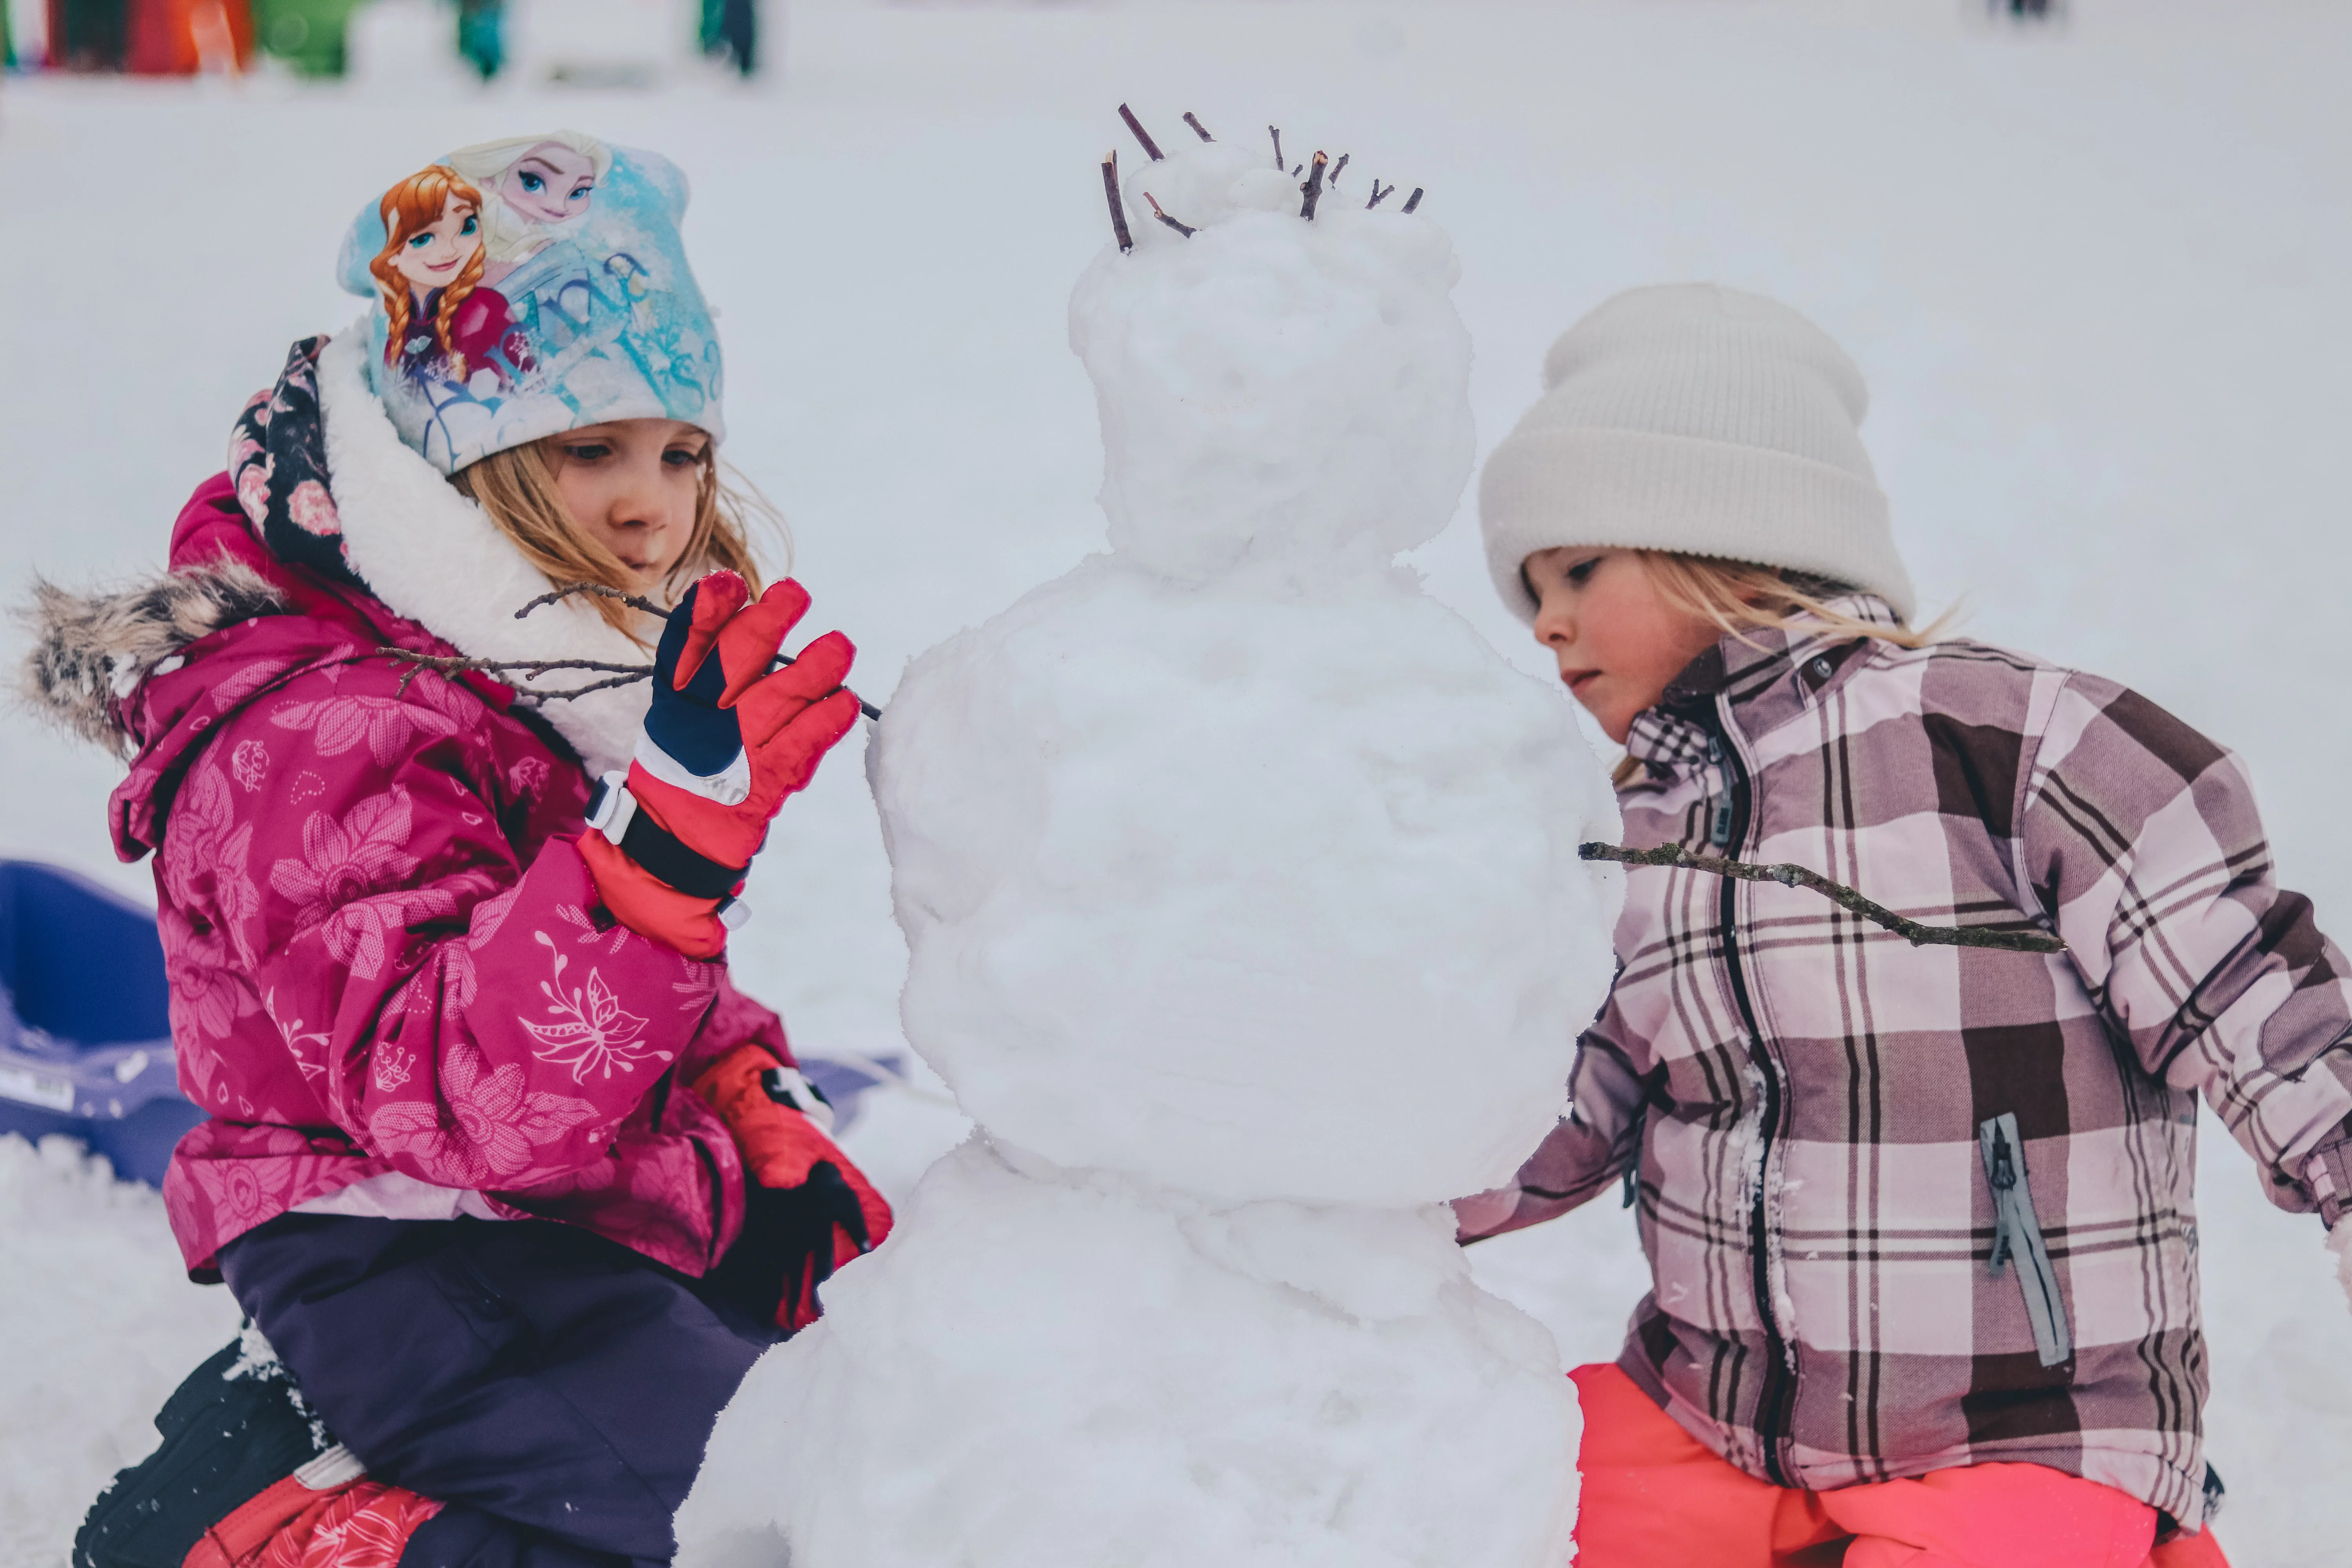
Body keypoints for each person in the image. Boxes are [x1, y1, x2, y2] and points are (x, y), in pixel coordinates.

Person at [29, 133, 890, 1568]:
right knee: (754, 1525)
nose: (651, 502)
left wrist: (749, 1093)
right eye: (590, 446)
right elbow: (450, 1099)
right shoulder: (319, 731)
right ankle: (284, 1527)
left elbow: (608, 975)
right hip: (405, 1245)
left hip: (573, 1205)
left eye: (682, 452)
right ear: (458, 455)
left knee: (865, 1414)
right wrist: (663, 859)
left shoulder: (518, 668)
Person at [1461, 283, 2352, 1568]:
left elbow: (2239, 975)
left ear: (1720, 534)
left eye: (1577, 569)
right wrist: (1328, 1185)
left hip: (2023, 1425)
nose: (1543, 623)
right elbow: (1554, 1108)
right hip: (1714, 1419)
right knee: (1492, 1494)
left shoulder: (2011, 745)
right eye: (1529, 591)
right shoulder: (1624, 844)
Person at [367, 163, 526, 390]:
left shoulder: (486, 309)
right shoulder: (396, 333)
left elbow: (530, 388)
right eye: (423, 239)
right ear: (392, 256)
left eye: (467, 226)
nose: (450, 251)